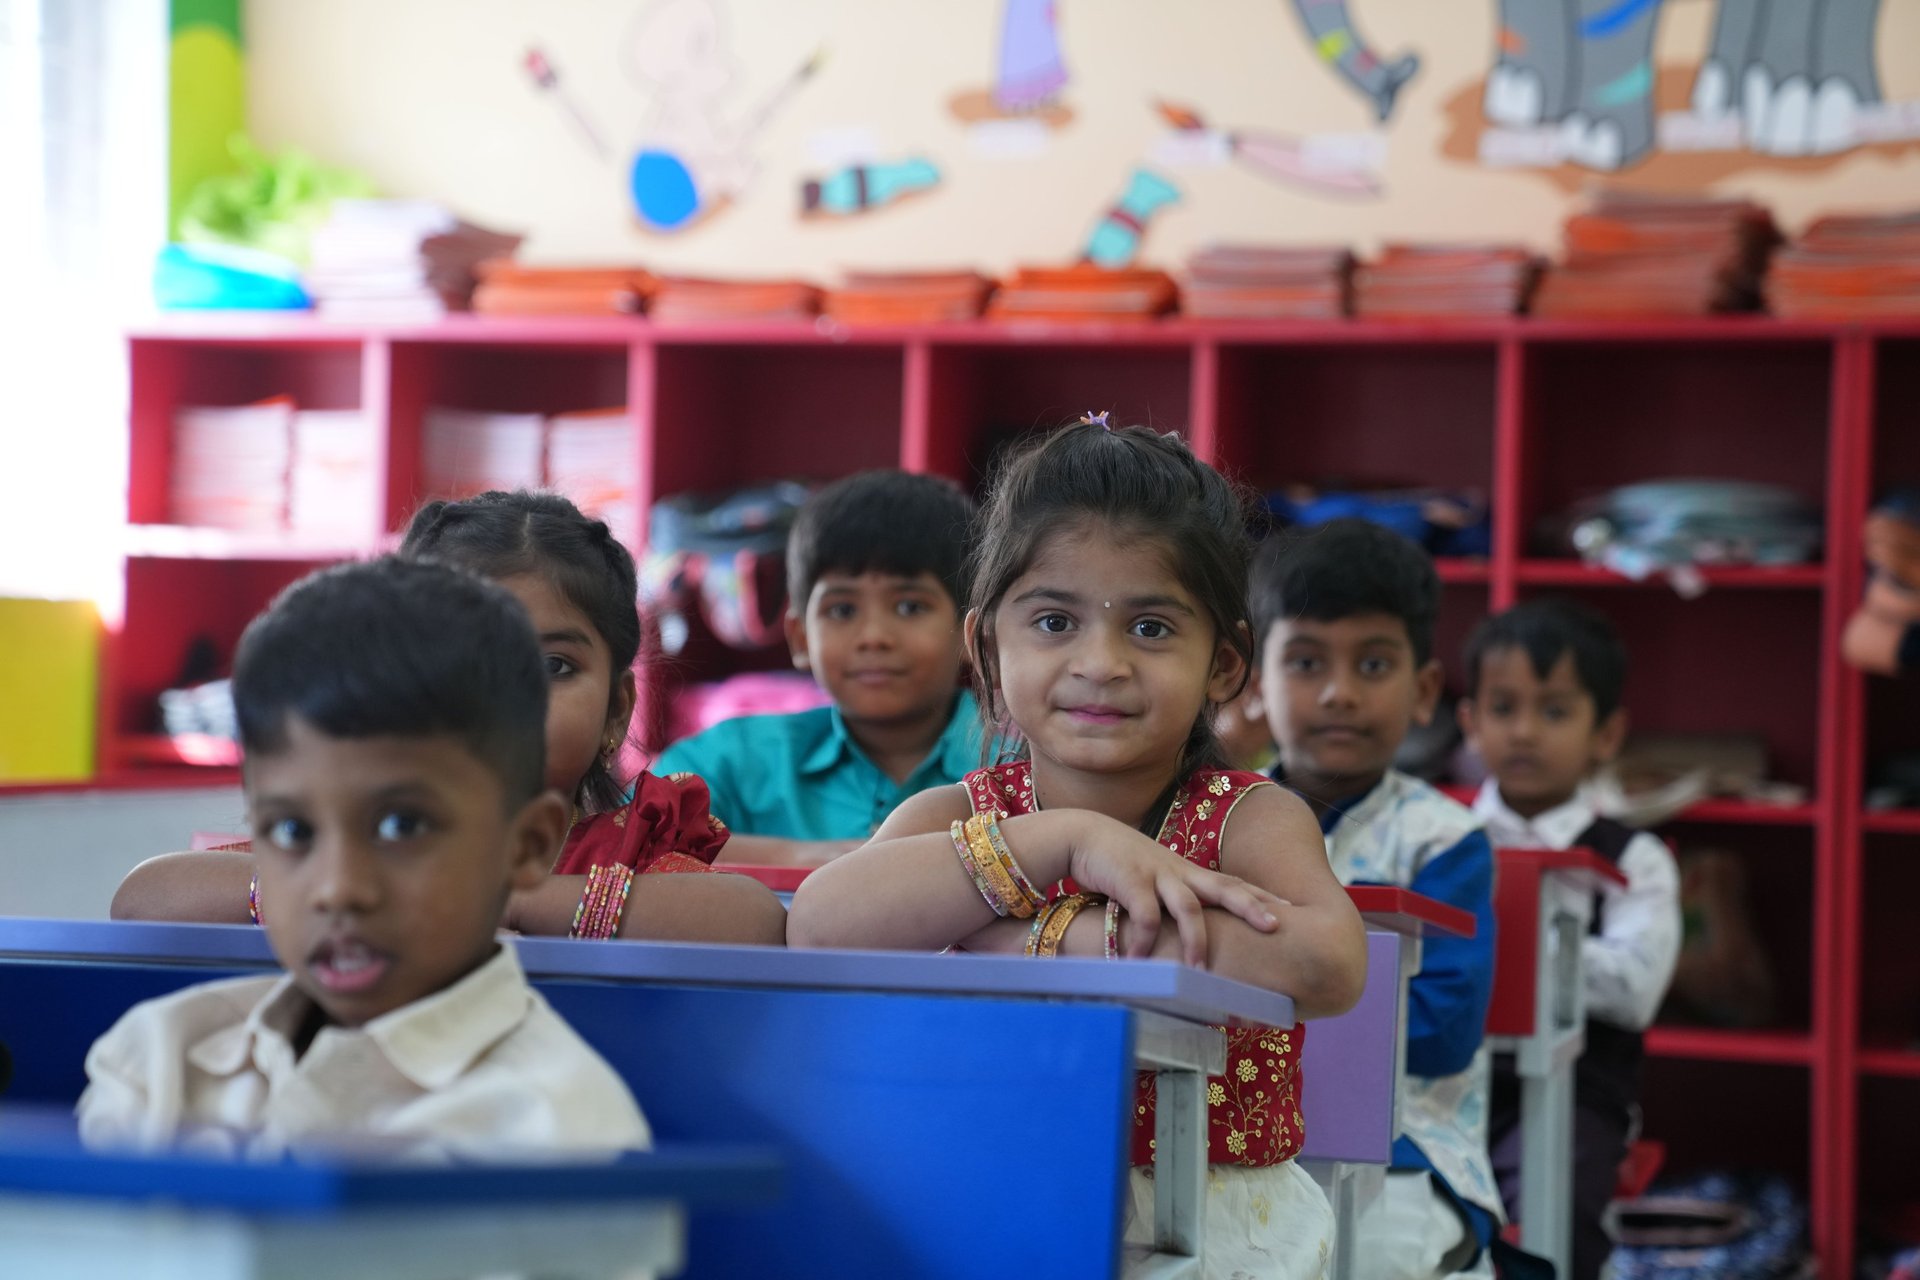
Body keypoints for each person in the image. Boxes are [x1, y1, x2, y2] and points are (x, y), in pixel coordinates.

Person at [788, 418, 1367, 1279]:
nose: (1100, 662)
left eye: (1152, 629)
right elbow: (819, 926)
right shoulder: (955, 815)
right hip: (980, 1208)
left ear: (1224, 660)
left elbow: (1328, 966)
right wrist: (1064, 841)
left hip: (1216, 1229)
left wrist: (1026, 941)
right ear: (987, 645)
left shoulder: (1247, 819)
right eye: (1055, 620)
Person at [79, 558, 650, 1160]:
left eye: (402, 826)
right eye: (293, 830)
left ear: (526, 846)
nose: (338, 889)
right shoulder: (158, 1062)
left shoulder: (561, 1131)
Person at [111, 490, 785, 946]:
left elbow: (750, 920)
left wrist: (495, 899)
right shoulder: (354, 845)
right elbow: (145, 897)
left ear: (615, 713)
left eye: (552, 667)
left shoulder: (633, 847)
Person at [1253, 518, 1501, 1279]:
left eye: (1373, 663)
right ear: (1249, 681)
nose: (1338, 692)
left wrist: (1264, 1008)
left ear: (1425, 690)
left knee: (1375, 1257)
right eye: (1304, 661)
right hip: (1245, 1134)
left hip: (1409, 1148)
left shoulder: (1443, 841)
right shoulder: (1218, 819)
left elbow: (1440, 1032)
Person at [1460, 598, 1681, 1280]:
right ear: (1468, 721)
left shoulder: (1635, 856)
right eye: (1503, 708)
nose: (1524, 731)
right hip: (1450, 1083)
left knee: (1563, 1202)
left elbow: (1634, 989)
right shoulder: (1442, 837)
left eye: (1554, 711)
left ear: (1606, 733)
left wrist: (1503, 948)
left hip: (1582, 1091)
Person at [652, 470, 981, 866]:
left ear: (970, 633)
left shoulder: (1025, 764)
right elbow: (628, 838)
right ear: (801, 638)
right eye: (841, 610)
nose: (873, 637)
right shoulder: (734, 760)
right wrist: (825, 858)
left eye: (910, 606)